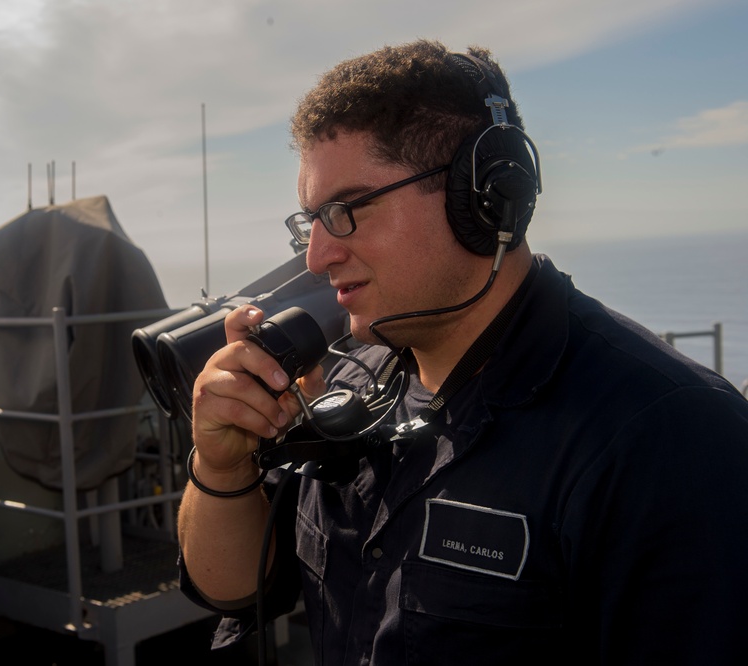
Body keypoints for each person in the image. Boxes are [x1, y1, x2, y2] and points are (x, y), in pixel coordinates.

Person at [175, 39, 748, 664]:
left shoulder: (670, 438)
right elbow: (235, 589)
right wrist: (223, 468)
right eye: (309, 219)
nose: (316, 256)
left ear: (483, 195)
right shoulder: (352, 383)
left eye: (347, 210)